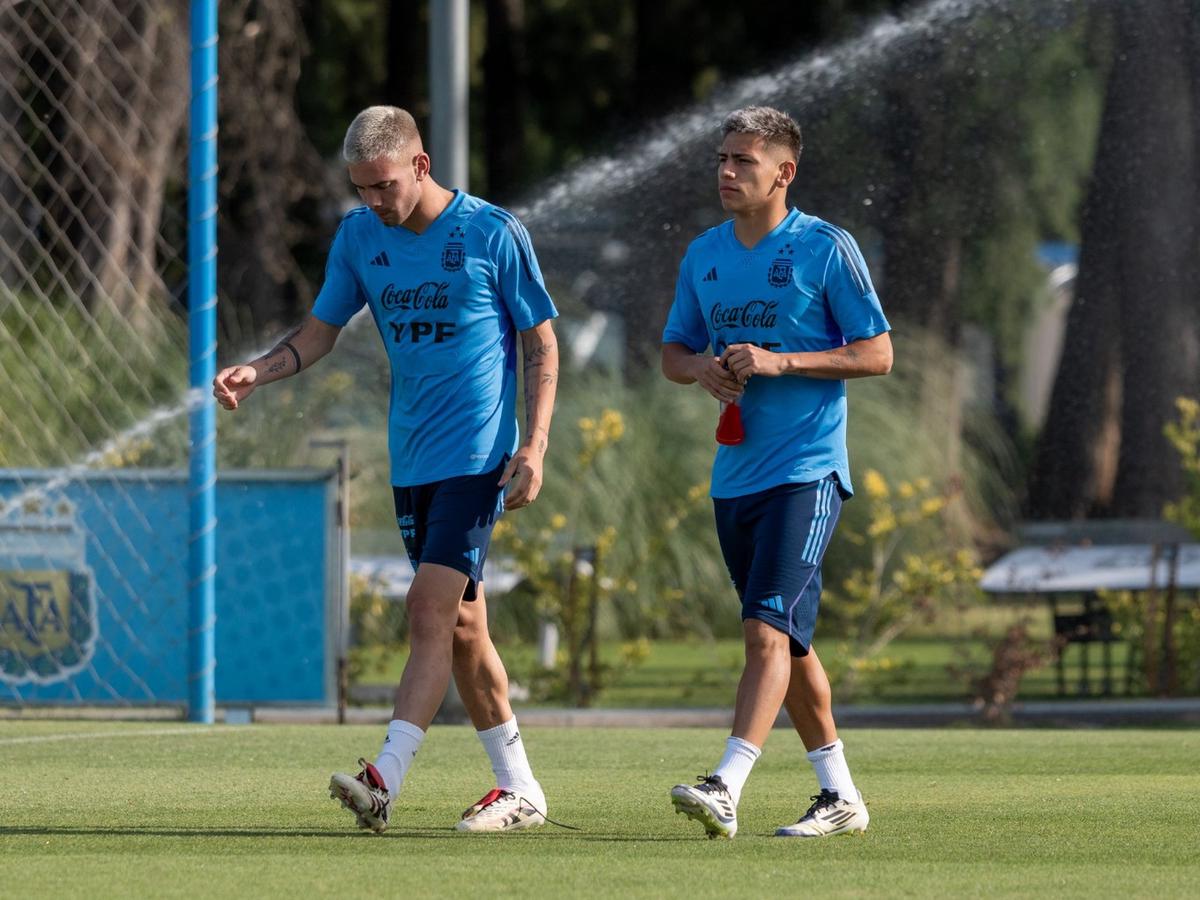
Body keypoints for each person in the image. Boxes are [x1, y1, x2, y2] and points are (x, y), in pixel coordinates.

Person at [213, 106, 559, 834]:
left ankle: (384, 777)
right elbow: (318, 333)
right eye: (361, 188)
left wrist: (533, 447)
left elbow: (542, 344)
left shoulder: (492, 232)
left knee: (427, 609)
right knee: (462, 630)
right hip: (413, 462)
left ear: (420, 165)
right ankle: (520, 787)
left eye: (384, 184)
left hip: (478, 460)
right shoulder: (358, 237)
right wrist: (259, 371)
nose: (375, 200)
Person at [661, 106, 892, 839]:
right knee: (789, 643)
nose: (727, 173)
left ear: (783, 173)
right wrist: (702, 369)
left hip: (807, 473)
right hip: (734, 478)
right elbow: (672, 352)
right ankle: (840, 795)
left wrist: (780, 360)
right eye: (722, 159)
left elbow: (878, 353)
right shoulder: (704, 253)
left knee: (765, 634)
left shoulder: (826, 248)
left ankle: (726, 784)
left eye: (744, 163)